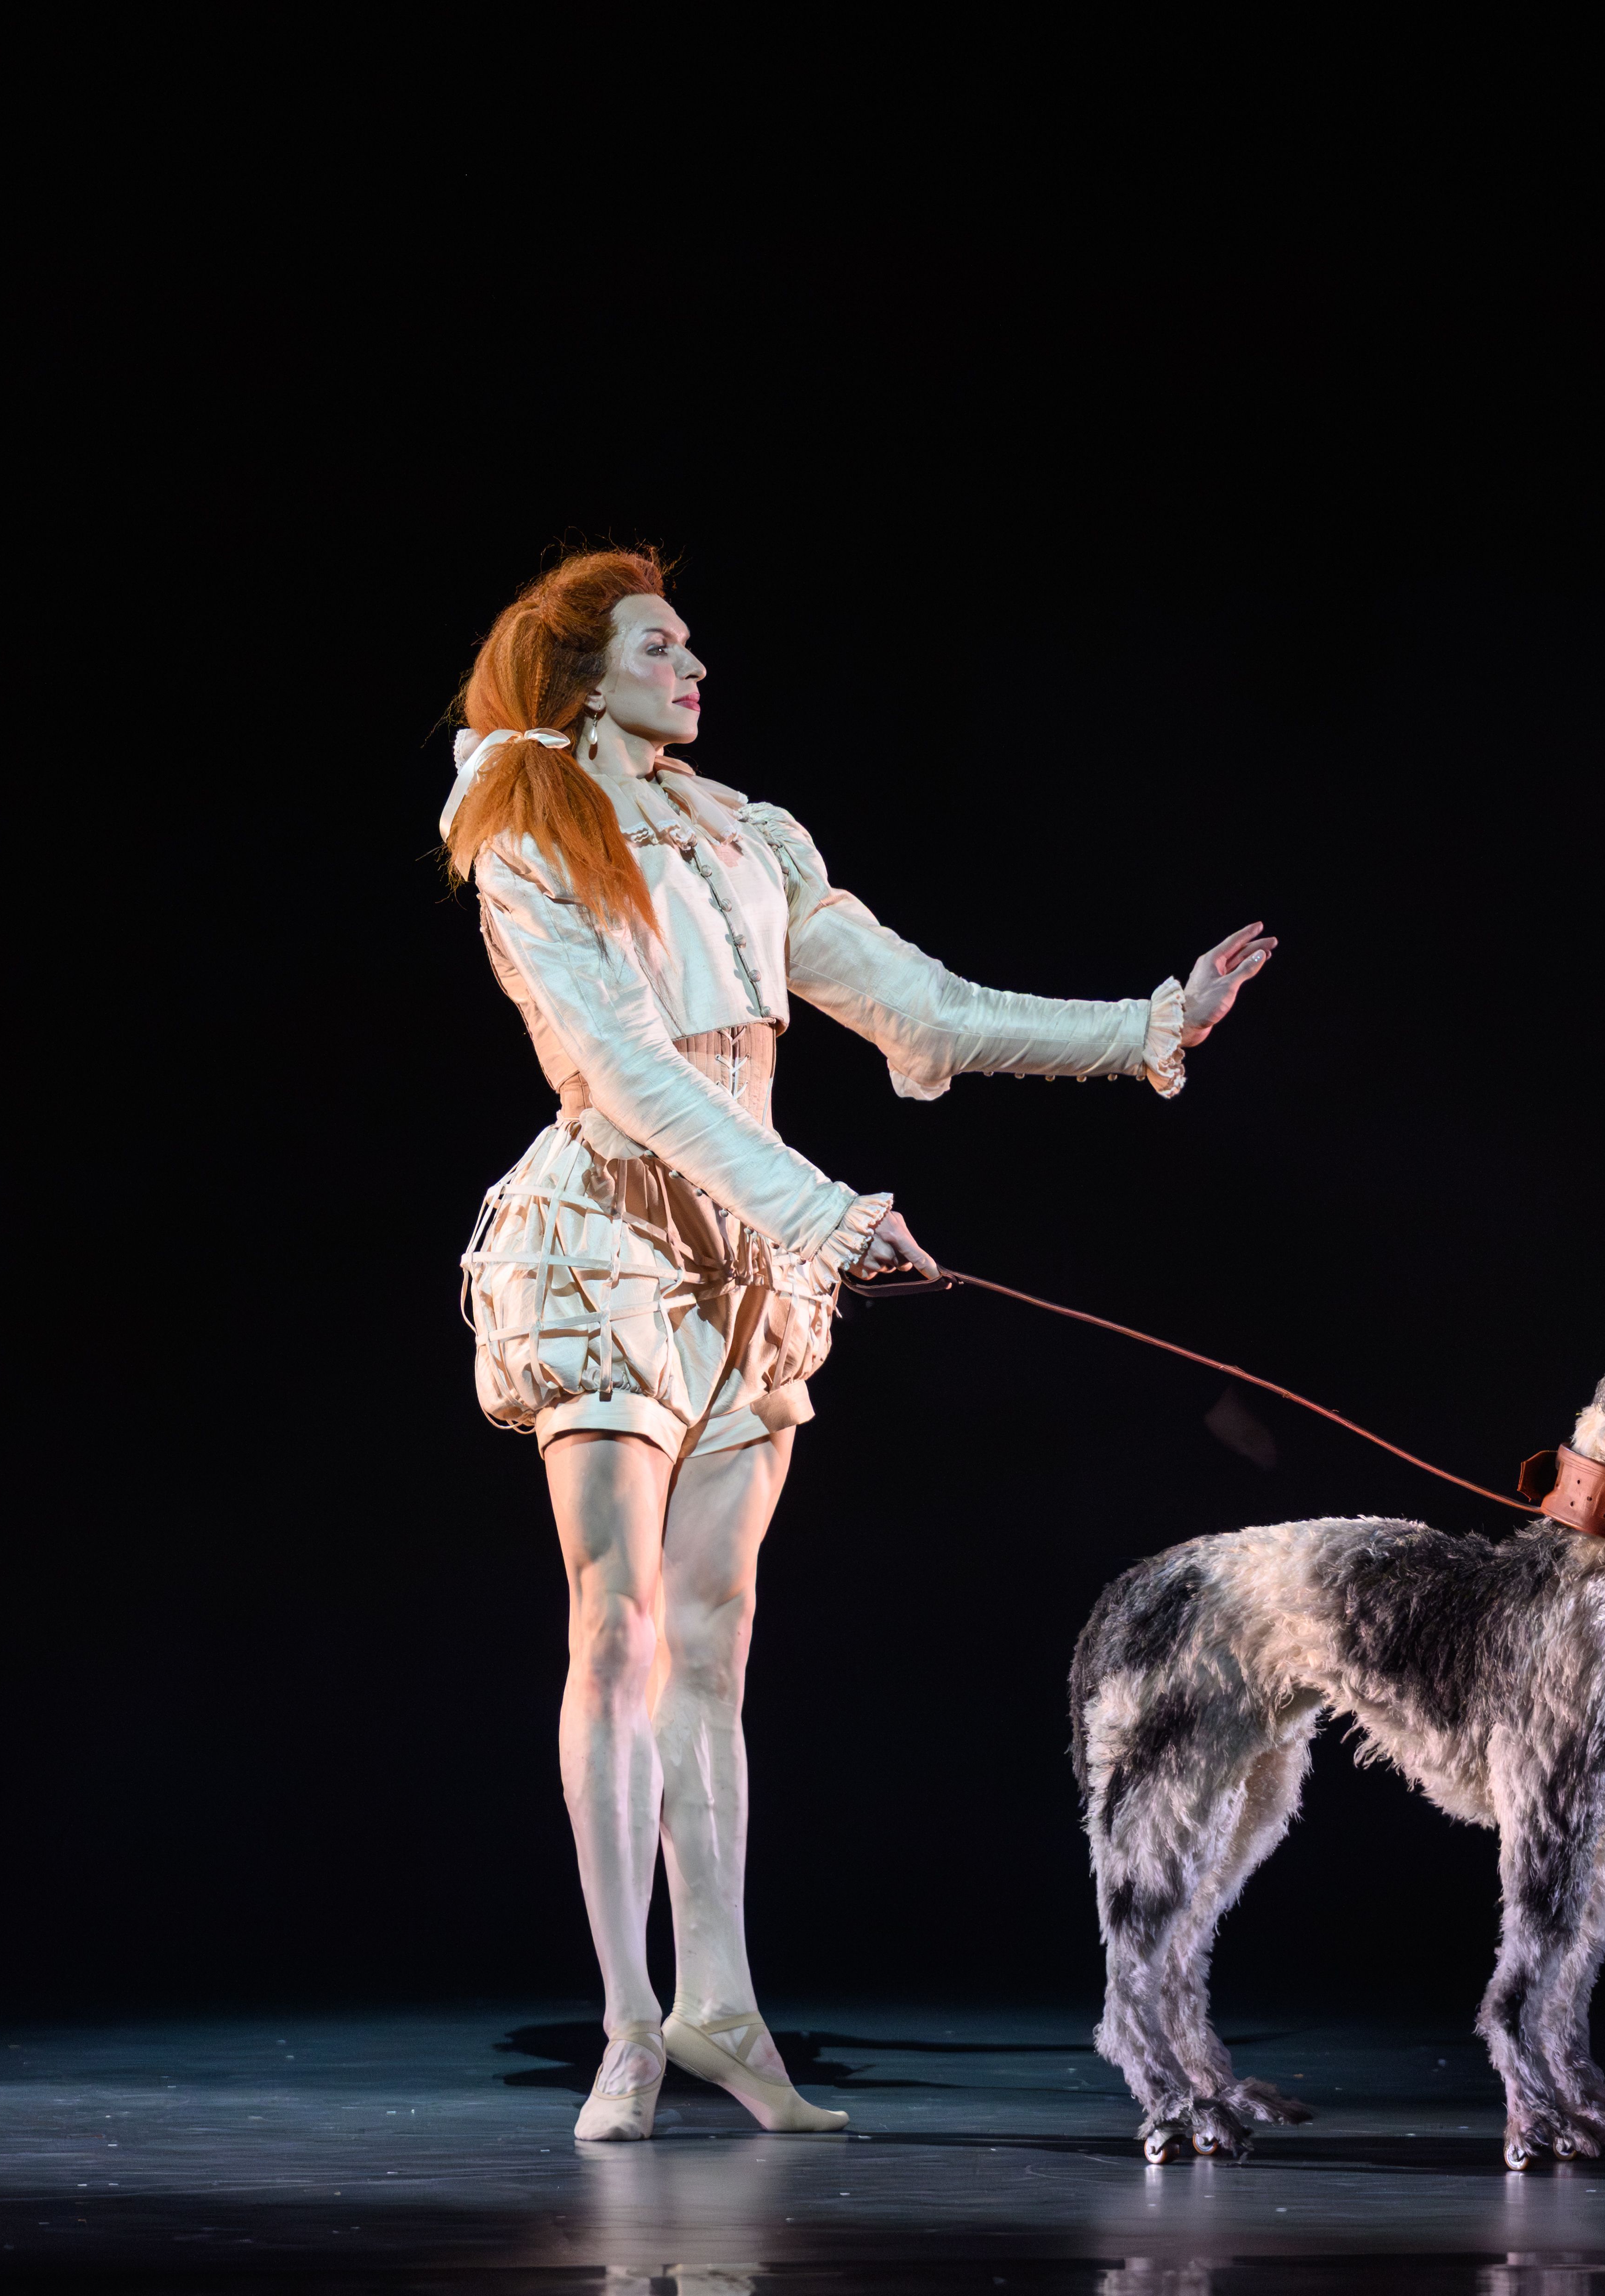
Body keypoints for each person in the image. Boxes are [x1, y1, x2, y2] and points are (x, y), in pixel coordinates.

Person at [440, 548, 1275, 2140]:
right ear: (580, 671)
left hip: (753, 1250)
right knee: (612, 1623)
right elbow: (616, 1065)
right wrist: (818, 1205)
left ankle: (723, 2011)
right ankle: (625, 2022)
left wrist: (1147, 1026)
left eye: (692, 641)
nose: (692, 663)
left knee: (716, 1633)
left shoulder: (746, 836)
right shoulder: (526, 829)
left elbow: (925, 1007)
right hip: (611, 1241)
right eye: (657, 643)